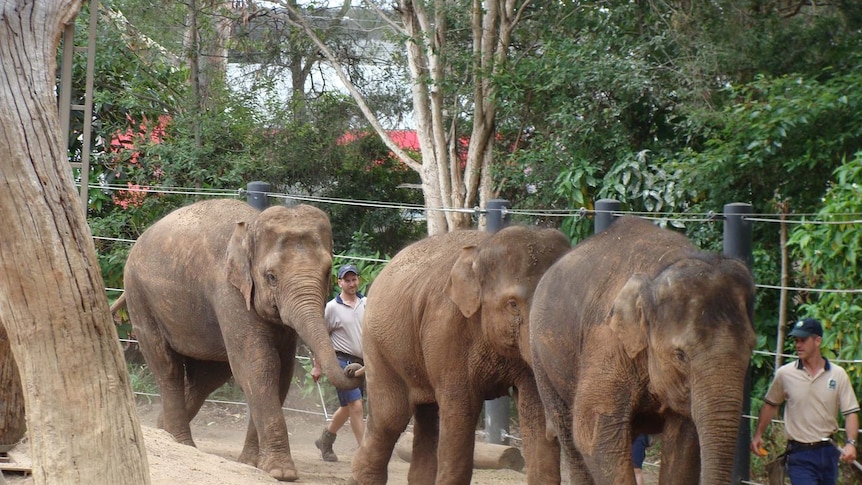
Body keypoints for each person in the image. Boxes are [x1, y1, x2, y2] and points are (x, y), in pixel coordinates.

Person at [751, 317, 860, 484]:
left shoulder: (838, 375)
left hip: (829, 450)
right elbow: (771, 404)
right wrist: (758, 434)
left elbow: (850, 411)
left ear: (818, 341)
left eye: (803, 340)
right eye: (796, 340)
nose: (798, 345)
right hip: (799, 452)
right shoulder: (785, 374)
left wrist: (851, 443)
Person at [312, 264, 366, 462]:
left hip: (364, 364)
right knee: (356, 406)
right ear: (340, 282)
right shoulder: (332, 308)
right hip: (342, 363)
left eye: (354, 279)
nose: (352, 283)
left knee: (347, 408)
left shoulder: (366, 303)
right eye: (347, 280)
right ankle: (365, 452)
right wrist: (318, 366)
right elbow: (321, 338)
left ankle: (325, 440)